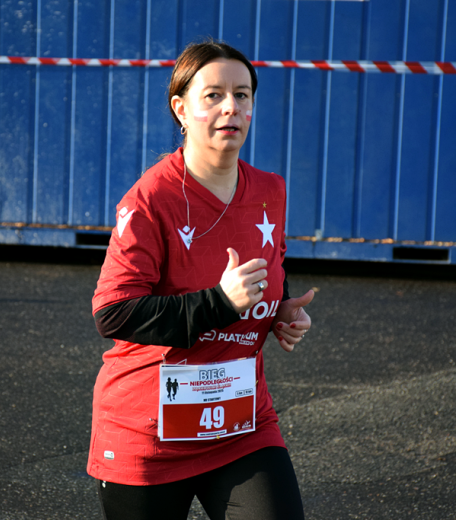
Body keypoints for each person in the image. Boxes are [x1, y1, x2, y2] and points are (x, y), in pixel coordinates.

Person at [89, 40, 314, 520]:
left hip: (240, 425)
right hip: (148, 433)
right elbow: (112, 312)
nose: (231, 106)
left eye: (242, 94)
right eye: (213, 95)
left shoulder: (271, 190)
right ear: (181, 109)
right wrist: (220, 303)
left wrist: (279, 308)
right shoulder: (150, 199)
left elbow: (269, 267)